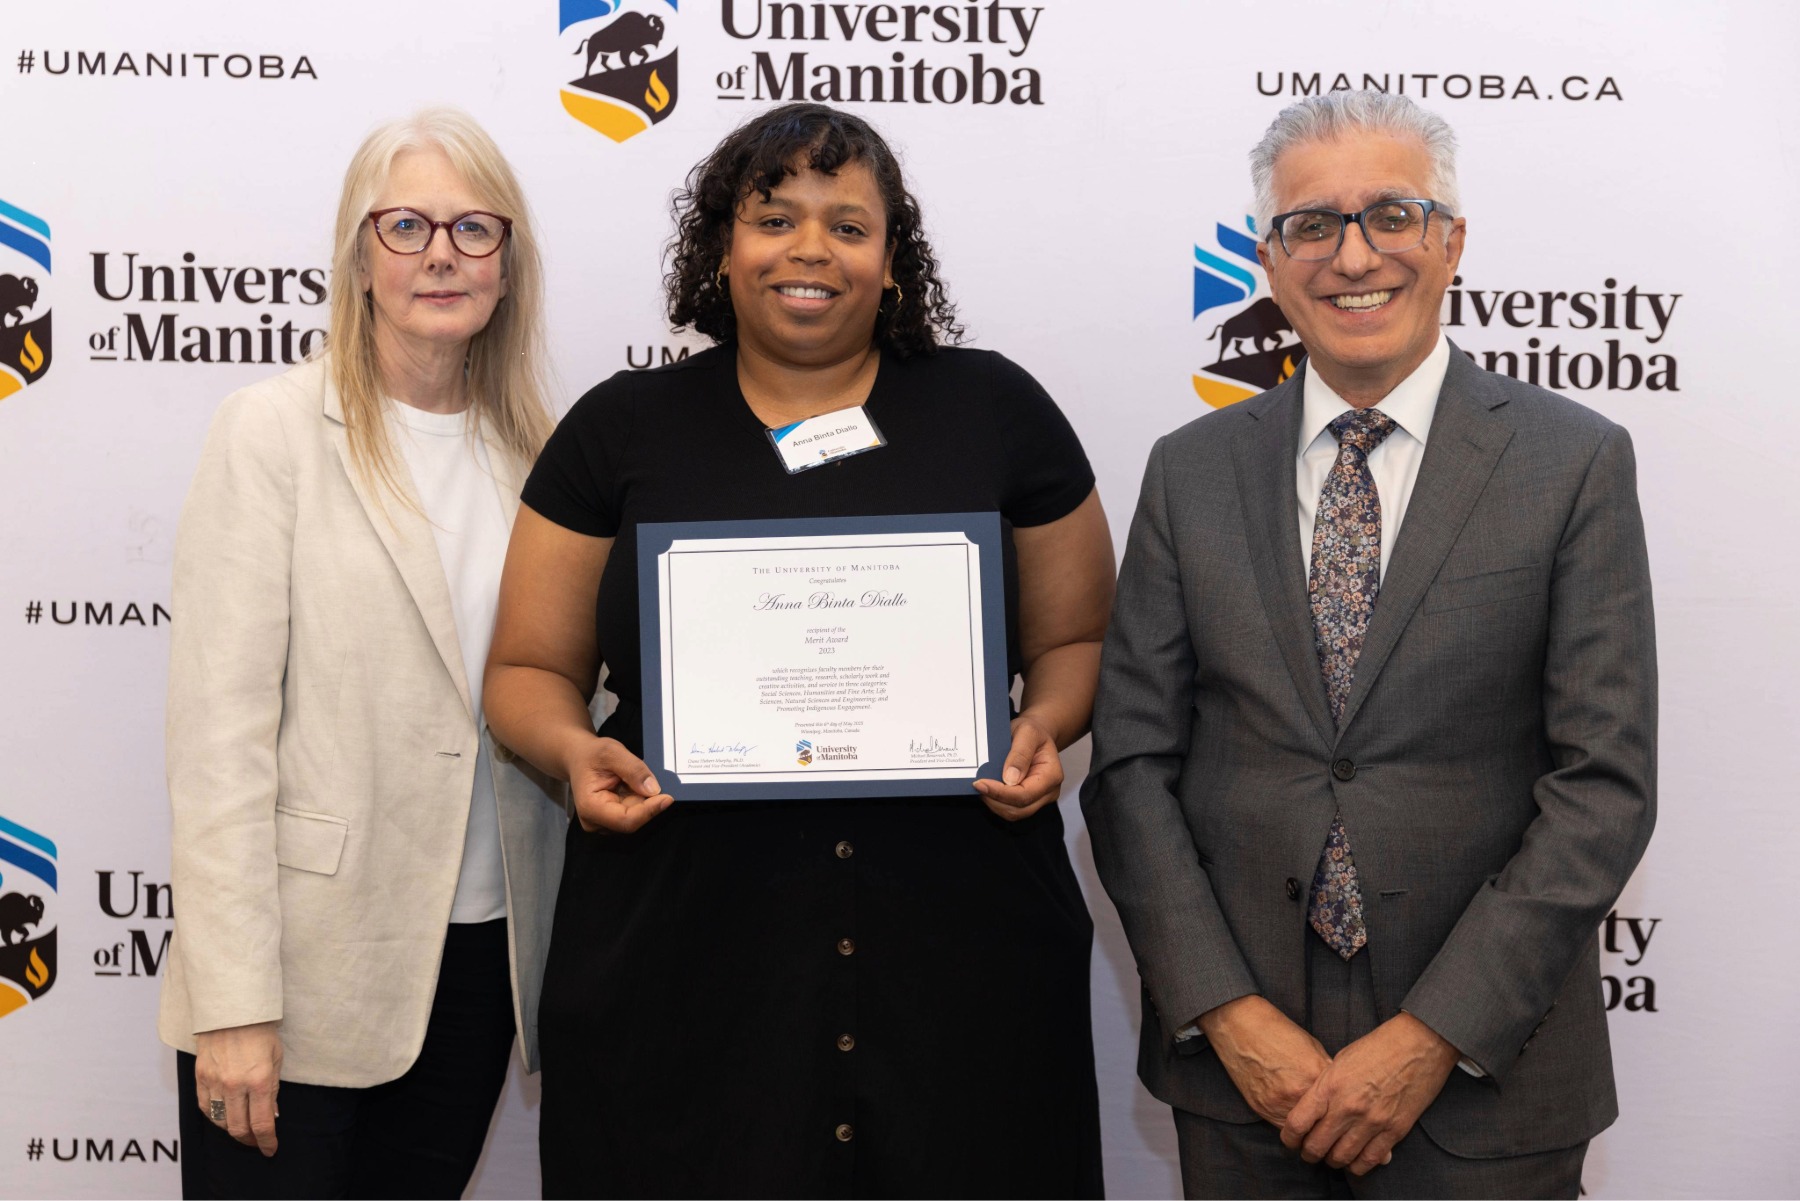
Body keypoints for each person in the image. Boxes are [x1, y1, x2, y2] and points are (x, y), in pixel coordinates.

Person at [484, 102, 1115, 1198]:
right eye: (774, 217)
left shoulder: (995, 411)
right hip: (685, 951)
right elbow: (528, 670)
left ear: (892, 260)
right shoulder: (622, 429)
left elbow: (1078, 637)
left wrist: (1047, 725)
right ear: (722, 252)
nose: (809, 249)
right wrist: (573, 754)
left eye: (848, 224)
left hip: (960, 949)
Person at [1082, 91, 1656, 1199]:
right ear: (1269, 257)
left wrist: (1430, 1036)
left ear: (1451, 241)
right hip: (1246, 1084)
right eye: (1313, 224)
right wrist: (1227, 1013)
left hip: (1490, 1078)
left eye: (1392, 214)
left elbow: (1606, 785)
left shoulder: (1573, 461)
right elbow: (1131, 771)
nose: (1355, 255)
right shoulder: (1188, 472)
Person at [159, 108, 568, 1199]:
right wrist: (234, 1006)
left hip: (481, 964)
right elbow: (219, 743)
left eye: (474, 227)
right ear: (358, 254)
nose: (441, 252)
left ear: (507, 262)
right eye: (406, 225)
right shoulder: (273, 431)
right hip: (303, 981)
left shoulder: (544, 457)